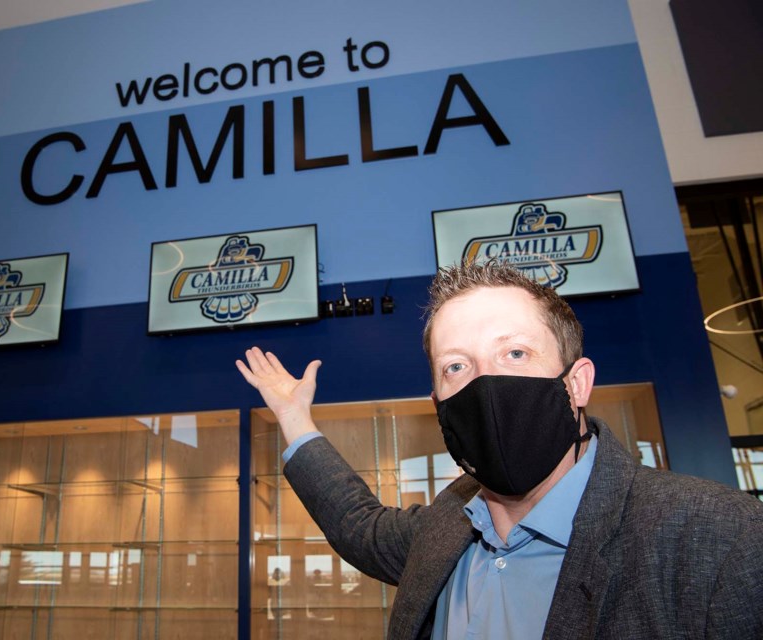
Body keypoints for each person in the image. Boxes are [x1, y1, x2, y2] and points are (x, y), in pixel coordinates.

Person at [236, 261, 763, 639]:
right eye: (456, 367)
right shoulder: (446, 526)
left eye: (514, 352)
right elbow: (360, 525)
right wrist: (293, 417)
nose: (485, 385)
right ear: (438, 401)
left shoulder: (721, 536)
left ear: (576, 384)